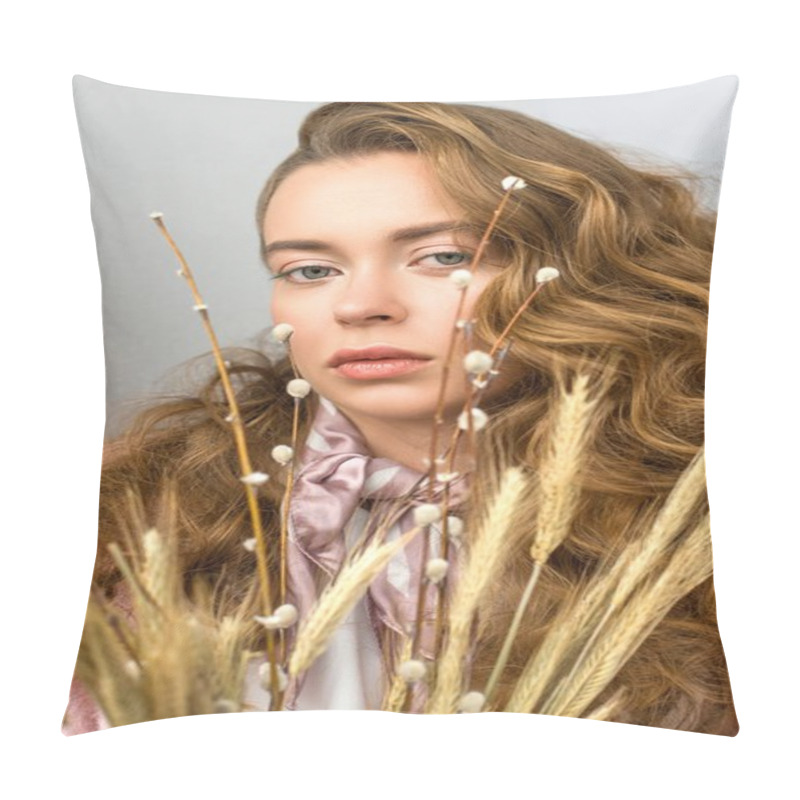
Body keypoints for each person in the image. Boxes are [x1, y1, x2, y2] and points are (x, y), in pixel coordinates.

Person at [64, 102, 737, 735]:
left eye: (444, 257)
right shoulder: (121, 508)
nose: (361, 305)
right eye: (310, 269)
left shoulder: (718, 521)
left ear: (579, 278)